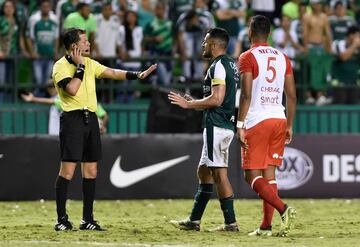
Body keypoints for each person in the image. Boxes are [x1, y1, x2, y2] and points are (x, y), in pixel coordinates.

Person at [52, 28, 156, 231]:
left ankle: (87, 219)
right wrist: (80, 67)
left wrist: (137, 75)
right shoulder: (60, 66)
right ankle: (61, 220)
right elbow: (72, 89)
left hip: (90, 118)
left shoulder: (90, 63)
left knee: (91, 170)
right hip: (72, 118)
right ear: (74, 46)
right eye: (84, 41)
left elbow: (112, 72)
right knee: (68, 170)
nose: (89, 44)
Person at [168, 27, 239, 232]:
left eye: (206, 41)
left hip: (217, 126)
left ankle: (230, 223)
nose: (203, 45)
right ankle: (194, 220)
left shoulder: (217, 66)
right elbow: (220, 98)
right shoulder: (230, 65)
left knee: (219, 175)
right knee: (204, 172)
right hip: (223, 124)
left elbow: (217, 99)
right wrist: (197, 102)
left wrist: (189, 105)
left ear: (215, 45)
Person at [237, 15, 297, 237]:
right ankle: (265, 226)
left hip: (257, 120)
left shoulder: (247, 56)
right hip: (279, 118)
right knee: (269, 174)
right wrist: (289, 124)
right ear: (270, 33)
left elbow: (246, 94)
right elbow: (291, 95)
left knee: (251, 176)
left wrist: (240, 124)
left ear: (250, 32)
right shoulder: (283, 57)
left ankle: (284, 209)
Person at [21, 80, 109, 135]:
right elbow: (51, 101)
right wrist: (33, 99)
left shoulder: (90, 101)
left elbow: (104, 115)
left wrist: (103, 127)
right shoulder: (68, 100)